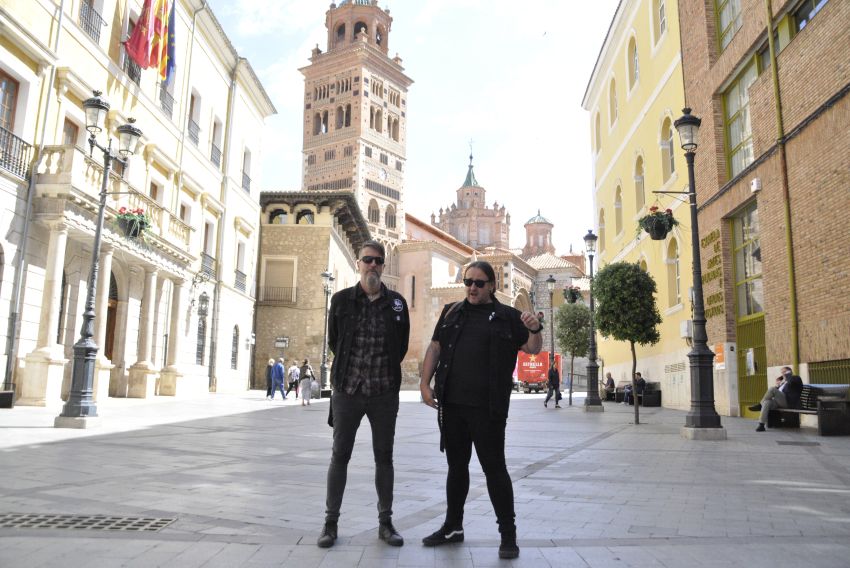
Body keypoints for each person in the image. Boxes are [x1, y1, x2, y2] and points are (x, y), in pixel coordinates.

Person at [420, 260, 543, 560]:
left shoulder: (508, 316)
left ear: (492, 286)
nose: (472, 287)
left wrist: (536, 328)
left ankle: (508, 535)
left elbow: (533, 348)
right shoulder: (451, 311)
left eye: (479, 282)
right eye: (468, 282)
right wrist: (424, 383)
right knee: (456, 469)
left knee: (494, 470)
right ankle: (453, 527)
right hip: (452, 406)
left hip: (488, 409)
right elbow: (435, 347)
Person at [317, 240, 410, 549]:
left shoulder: (396, 304)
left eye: (378, 261)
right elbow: (334, 341)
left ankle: (386, 523)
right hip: (348, 390)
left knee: (384, 457)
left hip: (383, 392)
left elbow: (401, 346)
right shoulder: (342, 301)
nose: (373, 265)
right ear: (359, 263)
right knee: (339, 456)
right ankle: (330, 524)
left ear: (383, 266)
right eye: (367, 260)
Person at [749, 366, 803, 432]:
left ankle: (760, 405)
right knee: (767, 402)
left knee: (772, 389)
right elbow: (778, 391)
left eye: (784, 372)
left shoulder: (796, 378)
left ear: (789, 372)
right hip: (779, 401)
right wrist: (778, 386)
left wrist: (787, 376)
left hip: (788, 402)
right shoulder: (783, 382)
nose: (782, 374)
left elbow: (792, 383)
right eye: (782, 372)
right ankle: (761, 425)